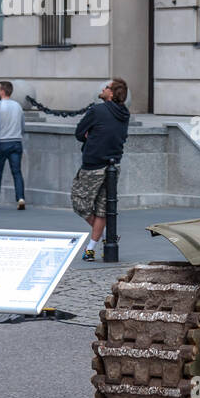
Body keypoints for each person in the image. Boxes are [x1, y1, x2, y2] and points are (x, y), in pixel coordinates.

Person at [72, 78, 130, 261]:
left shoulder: (97, 110)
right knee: (102, 209)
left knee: (78, 201)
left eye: (106, 87)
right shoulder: (124, 113)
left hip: (93, 165)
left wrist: (90, 136)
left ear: (111, 93)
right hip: (113, 165)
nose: (103, 88)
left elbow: (79, 132)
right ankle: (91, 248)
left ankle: (106, 235)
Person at [0, 80, 26, 210]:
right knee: (17, 172)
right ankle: (20, 197)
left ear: (3, 91)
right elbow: (22, 126)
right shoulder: (18, 106)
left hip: (1, 143)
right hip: (16, 142)